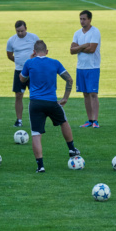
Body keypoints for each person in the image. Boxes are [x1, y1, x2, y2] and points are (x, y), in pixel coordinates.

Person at [20, 40, 80, 173]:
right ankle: (71, 148)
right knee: (63, 122)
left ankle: (40, 166)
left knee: (36, 134)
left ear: (34, 52)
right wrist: (65, 98)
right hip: (52, 102)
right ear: (47, 52)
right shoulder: (55, 62)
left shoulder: (29, 63)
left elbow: (22, 79)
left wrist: (30, 61)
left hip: (35, 103)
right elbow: (69, 79)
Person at [70, 10, 101, 128]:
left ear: (90, 19)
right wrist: (83, 46)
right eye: (80, 19)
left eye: (84, 19)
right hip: (81, 67)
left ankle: (96, 121)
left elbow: (92, 49)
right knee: (85, 94)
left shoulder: (95, 32)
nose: (82, 21)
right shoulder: (77, 33)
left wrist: (78, 48)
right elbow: (71, 50)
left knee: (93, 93)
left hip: (92, 67)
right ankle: (89, 120)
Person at [6, 20, 39, 127]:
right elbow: (10, 54)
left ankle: (36, 118)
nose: (20, 33)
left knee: (35, 95)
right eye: (18, 31)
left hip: (33, 71)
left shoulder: (34, 38)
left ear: (26, 28)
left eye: (22, 31)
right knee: (19, 95)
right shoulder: (11, 40)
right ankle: (19, 120)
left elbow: (40, 51)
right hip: (19, 71)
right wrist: (19, 62)